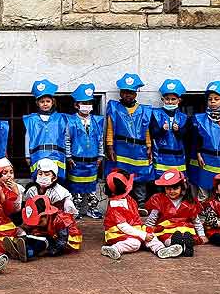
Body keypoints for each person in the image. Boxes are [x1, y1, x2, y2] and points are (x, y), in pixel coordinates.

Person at [186, 81, 220, 196]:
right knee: (203, 186)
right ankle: (203, 211)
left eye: (216, 99)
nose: (212, 102)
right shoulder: (199, 119)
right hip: (204, 158)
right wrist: (198, 153)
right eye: (210, 99)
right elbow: (195, 138)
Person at [105, 73, 153, 203]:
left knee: (140, 175)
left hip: (139, 149)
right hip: (121, 149)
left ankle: (140, 202)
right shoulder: (114, 107)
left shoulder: (145, 110)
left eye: (131, 92)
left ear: (135, 94)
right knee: (121, 175)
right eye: (125, 92)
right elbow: (110, 129)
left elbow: (147, 129)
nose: (128, 95)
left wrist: (149, 146)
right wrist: (109, 147)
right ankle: (123, 200)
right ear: (120, 93)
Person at [2, 195, 82, 262]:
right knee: (32, 236)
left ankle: (29, 252)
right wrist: (21, 232)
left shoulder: (61, 220)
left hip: (63, 241)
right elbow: (26, 227)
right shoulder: (42, 221)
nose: (36, 224)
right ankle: (19, 247)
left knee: (42, 242)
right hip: (48, 234)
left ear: (46, 215)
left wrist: (48, 251)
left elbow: (62, 242)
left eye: (39, 222)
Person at [65, 83, 104, 219]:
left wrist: (100, 155)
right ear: (77, 105)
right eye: (83, 103)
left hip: (93, 161)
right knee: (76, 188)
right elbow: (67, 139)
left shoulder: (97, 121)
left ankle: (91, 209)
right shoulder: (70, 121)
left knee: (92, 187)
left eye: (89, 103)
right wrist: (68, 157)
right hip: (76, 160)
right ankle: (75, 210)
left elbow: (100, 139)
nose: (86, 106)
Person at [144, 170, 205, 258]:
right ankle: (175, 244)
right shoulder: (158, 199)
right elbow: (151, 219)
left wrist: (202, 235)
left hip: (185, 229)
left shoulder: (189, 201)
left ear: (182, 187)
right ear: (164, 188)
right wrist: (148, 232)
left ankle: (185, 246)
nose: (172, 191)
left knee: (188, 236)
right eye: (168, 188)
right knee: (166, 238)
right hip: (166, 229)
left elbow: (196, 221)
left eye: (175, 188)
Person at [100, 170, 151, 261]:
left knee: (151, 235)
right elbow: (123, 227)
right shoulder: (115, 206)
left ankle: (160, 249)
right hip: (118, 233)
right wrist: (142, 235)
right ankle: (115, 248)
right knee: (135, 244)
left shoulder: (127, 198)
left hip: (133, 228)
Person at [23, 79, 68, 179]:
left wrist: (68, 154)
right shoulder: (31, 119)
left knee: (56, 180)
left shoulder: (61, 118)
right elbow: (28, 138)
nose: (45, 104)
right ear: (37, 103)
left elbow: (66, 137)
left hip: (57, 155)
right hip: (38, 156)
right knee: (40, 180)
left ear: (53, 102)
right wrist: (27, 155)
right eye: (42, 101)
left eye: (48, 101)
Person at [151, 78, 189, 177]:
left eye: (173, 99)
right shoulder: (155, 114)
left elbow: (186, 137)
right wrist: (162, 130)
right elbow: (153, 134)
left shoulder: (183, 117)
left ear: (179, 100)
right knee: (160, 184)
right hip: (160, 157)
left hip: (178, 158)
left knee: (177, 183)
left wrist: (178, 131)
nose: (170, 102)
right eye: (167, 99)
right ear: (162, 99)